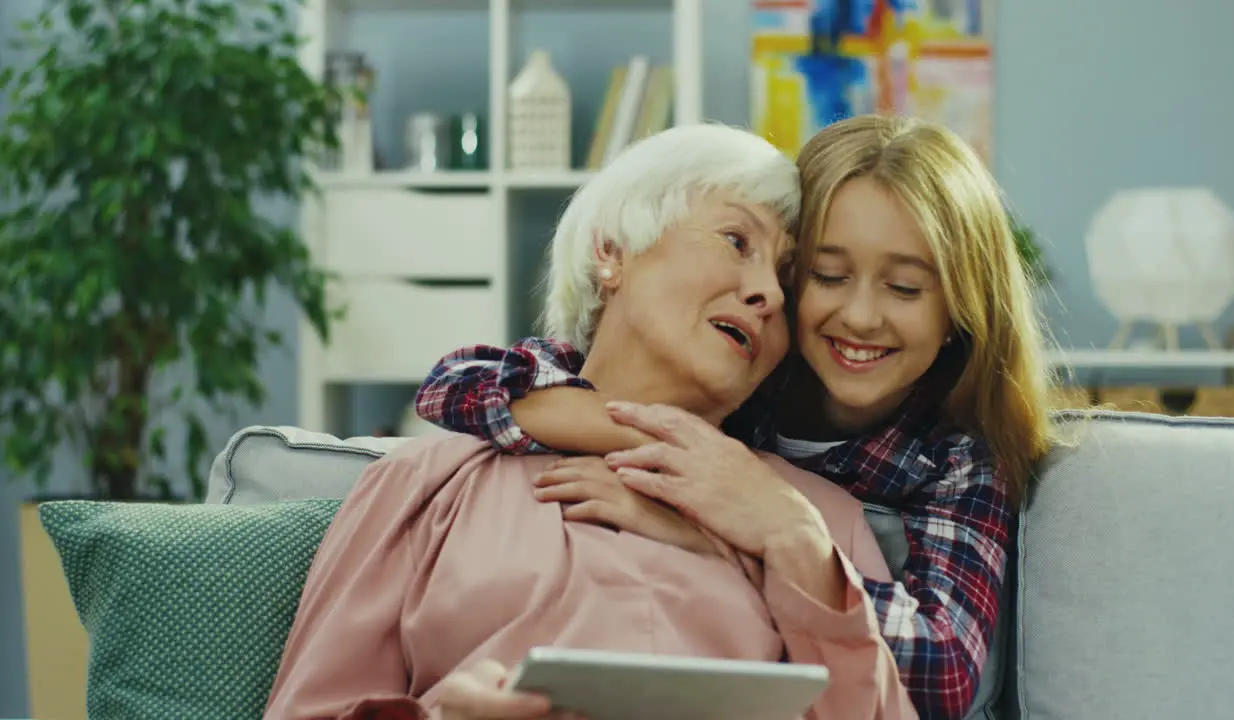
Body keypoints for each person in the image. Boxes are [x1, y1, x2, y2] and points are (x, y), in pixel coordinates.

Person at [263, 123, 917, 720]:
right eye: (735, 240)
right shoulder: (420, 486)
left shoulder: (820, 522)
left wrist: (795, 545)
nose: (768, 294)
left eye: (786, 278)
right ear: (613, 252)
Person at [414, 115, 1059, 719]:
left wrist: (749, 531)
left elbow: (943, 672)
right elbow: (459, 384)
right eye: (826, 276)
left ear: (961, 310)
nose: (861, 316)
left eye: (905, 288)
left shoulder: (960, 456)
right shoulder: (749, 379)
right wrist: (679, 450)